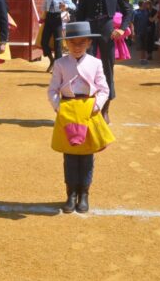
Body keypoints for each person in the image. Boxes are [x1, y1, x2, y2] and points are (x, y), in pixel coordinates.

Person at [48, 21, 114, 214]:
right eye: (73, 43)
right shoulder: (60, 63)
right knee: (69, 156)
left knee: (86, 156)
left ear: (88, 43)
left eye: (81, 43)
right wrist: (58, 107)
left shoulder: (96, 63)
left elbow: (104, 89)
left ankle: (84, 194)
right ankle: (70, 194)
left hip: (89, 110)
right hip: (68, 110)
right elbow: (52, 89)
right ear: (66, 43)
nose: (77, 47)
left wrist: (97, 105)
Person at [75, 0, 133, 124]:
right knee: (84, 67)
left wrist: (122, 28)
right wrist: (78, 36)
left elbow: (128, 10)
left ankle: (105, 109)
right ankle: (87, 106)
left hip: (108, 31)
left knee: (108, 69)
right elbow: (80, 14)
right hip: (89, 30)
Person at [42, 0, 75, 72]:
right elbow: (44, 7)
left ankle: (58, 67)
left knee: (58, 44)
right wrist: (43, 17)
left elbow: (73, 6)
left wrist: (66, 6)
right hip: (48, 18)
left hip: (58, 19)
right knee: (43, 42)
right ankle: (52, 60)